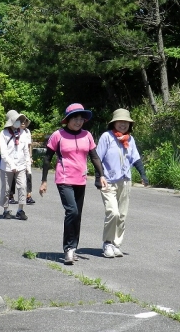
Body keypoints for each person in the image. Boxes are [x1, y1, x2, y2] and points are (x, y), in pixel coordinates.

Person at [40, 103, 104, 266]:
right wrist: (44, 180)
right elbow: (47, 158)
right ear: (68, 119)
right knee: (72, 211)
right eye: (75, 118)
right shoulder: (58, 135)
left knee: (77, 215)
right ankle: (68, 249)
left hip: (80, 180)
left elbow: (94, 157)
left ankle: (73, 248)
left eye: (81, 118)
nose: (78, 121)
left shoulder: (87, 135)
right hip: (64, 178)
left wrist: (101, 175)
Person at [96, 108, 147, 258]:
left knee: (122, 215)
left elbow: (135, 158)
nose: (123, 124)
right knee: (113, 212)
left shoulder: (130, 139)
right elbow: (97, 158)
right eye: (120, 122)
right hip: (108, 181)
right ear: (114, 123)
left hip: (125, 181)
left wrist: (143, 175)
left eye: (126, 122)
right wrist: (99, 177)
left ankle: (116, 244)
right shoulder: (107, 137)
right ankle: (107, 243)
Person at [0, 110, 30, 220]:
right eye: (15, 120)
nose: (18, 122)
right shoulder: (4, 134)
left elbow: (25, 150)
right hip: (7, 166)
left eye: (18, 120)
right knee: (6, 189)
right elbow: (4, 152)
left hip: (21, 165)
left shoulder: (23, 133)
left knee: (22, 186)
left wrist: (28, 165)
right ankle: (5, 210)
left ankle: (20, 210)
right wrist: (11, 164)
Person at [9, 114, 35, 206]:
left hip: (26, 157)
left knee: (28, 175)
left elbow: (29, 145)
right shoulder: (13, 132)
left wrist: (30, 157)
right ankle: (10, 195)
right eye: (21, 122)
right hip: (15, 158)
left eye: (25, 122)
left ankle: (28, 195)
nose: (23, 123)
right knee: (13, 176)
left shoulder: (27, 132)